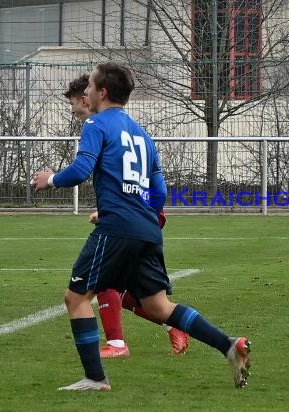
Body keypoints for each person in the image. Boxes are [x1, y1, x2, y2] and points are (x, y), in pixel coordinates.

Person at [34, 62, 250, 391]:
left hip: (119, 227)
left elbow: (81, 170)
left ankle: (95, 378)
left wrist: (49, 179)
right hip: (147, 228)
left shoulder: (95, 124)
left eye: (90, 86)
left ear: (102, 92)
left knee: (76, 299)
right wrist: (136, 208)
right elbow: (159, 192)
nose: (86, 92)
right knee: (158, 306)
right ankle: (227, 345)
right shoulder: (142, 135)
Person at [64, 75, 190, 358]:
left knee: (103, 281)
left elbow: (92, 172)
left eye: (75, 105)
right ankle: (174, 325)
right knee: (130, 289)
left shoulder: (99, 125)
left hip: (132, 218)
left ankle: (117, 344)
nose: (75, 111)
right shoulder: (127, 128)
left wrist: (122, 208)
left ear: (89, 98)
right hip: (140, 215)